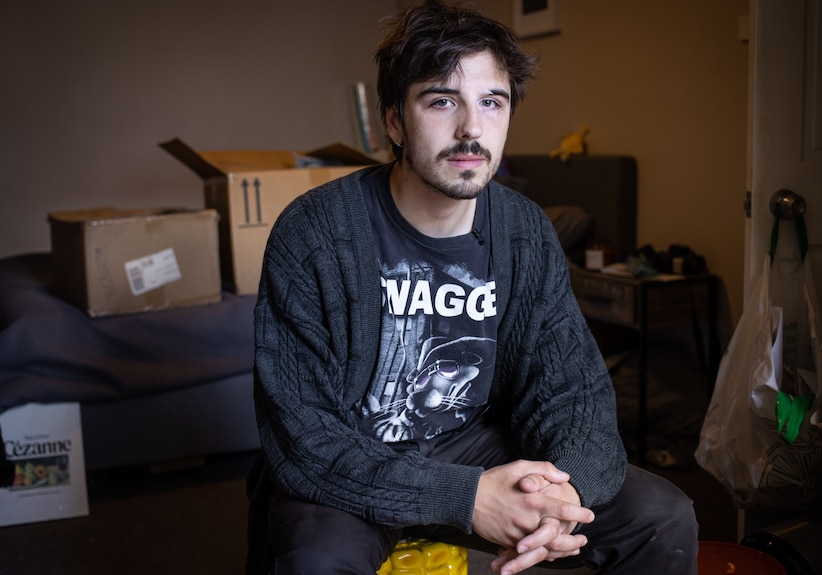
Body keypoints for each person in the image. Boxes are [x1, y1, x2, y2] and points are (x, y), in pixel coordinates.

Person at [246, 1, 698, 573]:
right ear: (394, 121)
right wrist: (465, 497)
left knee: (662, 515)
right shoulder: (315, 232)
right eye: (442, 101)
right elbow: (301, 430)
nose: (472, 129)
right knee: (318, 561)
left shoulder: (526, 231)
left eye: (492, 102)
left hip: (473, 443)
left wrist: (566, 493)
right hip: (355, 458)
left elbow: (573, 392)